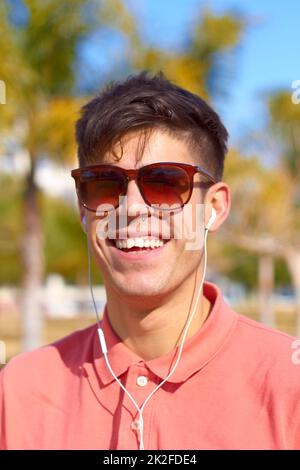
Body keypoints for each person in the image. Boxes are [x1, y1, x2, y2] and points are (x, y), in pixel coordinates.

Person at [0, 71, 299, 450]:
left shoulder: (288, 384)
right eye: (105, 183)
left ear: (215, 208)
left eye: (165, 182)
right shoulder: (20, 390)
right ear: (83, 209)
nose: (133, 208)